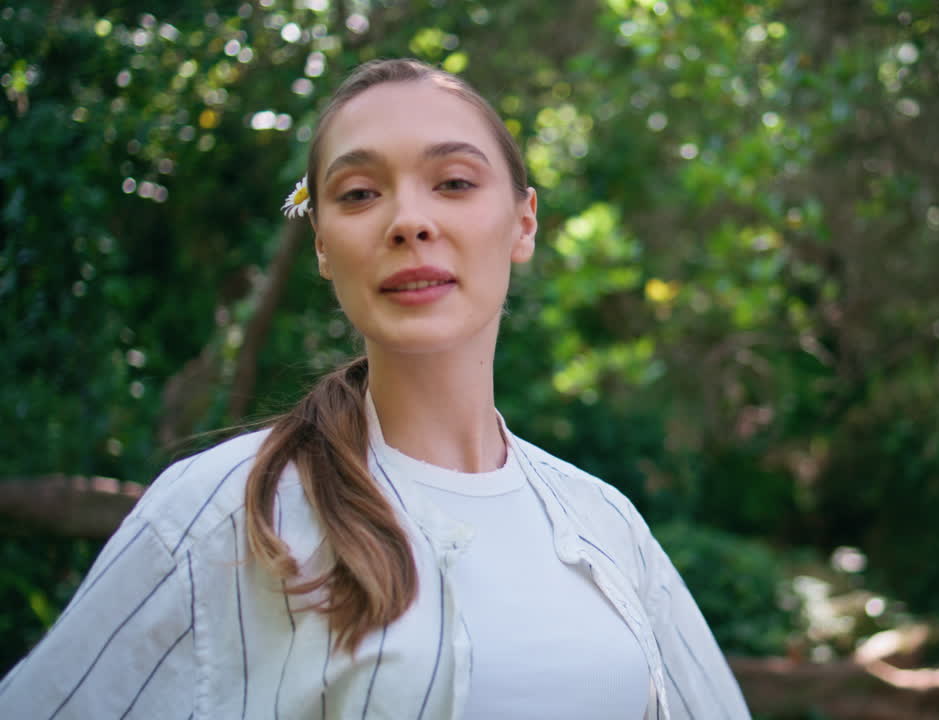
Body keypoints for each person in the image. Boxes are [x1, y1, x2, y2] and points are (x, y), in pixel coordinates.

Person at [0, 58, 750, 719]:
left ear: (523, 223)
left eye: (454, 183)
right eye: (359, 194)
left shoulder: (607, 527)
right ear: (324, 244)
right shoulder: (222, 514)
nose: (409, 221)